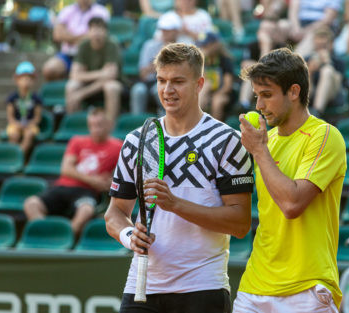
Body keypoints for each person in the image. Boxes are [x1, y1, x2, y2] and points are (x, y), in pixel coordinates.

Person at [104, 43, 254, 313]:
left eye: (177, 81)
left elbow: (240, 223)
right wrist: (129, 235)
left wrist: (176, 205)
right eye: (161, 80)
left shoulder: (227, 141)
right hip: (141, 287)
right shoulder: (135, 141)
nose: (167, 90)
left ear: (199, 84)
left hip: (203, 288)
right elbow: (115, 213)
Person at [233, 47, 347, 313]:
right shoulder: (265, 141)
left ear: (294, 92)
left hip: (306, 287)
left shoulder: (326, 136)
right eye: (257, 96)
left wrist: (259, 151)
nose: (259, 106)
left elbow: (292, 204)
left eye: (267, 95)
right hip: (254, 284)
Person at [23, 108, 122, 235]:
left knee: (86, 211)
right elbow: (66, 169)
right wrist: (93, 180)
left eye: (99, 125)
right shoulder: (77, 141)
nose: (95, 129)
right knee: (31, 204)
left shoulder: (118, 146)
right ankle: (46, 235)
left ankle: (64, 237)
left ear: (109, 125)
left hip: (86, 192)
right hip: (63, 186)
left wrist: (109, 181)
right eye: (92, 125)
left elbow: (124, 174)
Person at [65, 17, 123, 122]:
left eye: (100, 29)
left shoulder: (111, 44)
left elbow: (111, 75)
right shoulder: (83, 45)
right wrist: (101, 73)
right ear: (89, 31)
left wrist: (82, 93)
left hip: (110, 83)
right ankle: (75, 125)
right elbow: (74, 74)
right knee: (71, 86)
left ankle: (110, 128)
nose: (97, 32)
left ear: (106, 31)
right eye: (93, 29)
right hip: (91, 83)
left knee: (111, 87)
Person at [42, 0, 109, 81]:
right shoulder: (67, 10)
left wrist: (68, 36)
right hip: (68, 54)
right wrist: (84, 36)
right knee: (49, 70)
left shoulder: (101, 11)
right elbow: (57, 35)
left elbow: (96, 36)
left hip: (89, 56)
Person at [130, 12, 181, 115]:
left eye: (168, 30)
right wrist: (162, 62)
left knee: (159, 91)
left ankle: (168, 121)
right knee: (138, 90)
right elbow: (143, 74)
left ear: (176, 31)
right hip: (150, 81)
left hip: (170, 83)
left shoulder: (185, 47)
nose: (164, 32)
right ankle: (137, 124)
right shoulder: (149, 45)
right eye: (163, 29)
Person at [257, 0, 341, 57]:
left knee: (313, 35)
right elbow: (293, 11)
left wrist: (305, 31)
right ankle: (264, 63)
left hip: (320, 27)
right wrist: (296, 28)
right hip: (298, 24)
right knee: (266, 26)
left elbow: (327, 19)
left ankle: (293, 65)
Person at [6, 61, 42, 155]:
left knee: (29, 134)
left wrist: (29, 124)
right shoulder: (12, 97)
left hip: (30, 125)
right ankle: (12, 155)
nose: (26, 81)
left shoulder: (36, 98)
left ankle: (19, 156)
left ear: (33, 80)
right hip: (16, 124)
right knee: (13, 134)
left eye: (29, 78)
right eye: (23, 78)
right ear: (17, 80)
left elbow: (37, 118)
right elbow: (10, 117)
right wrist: (17, 124)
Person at [197, 32, 234, 121]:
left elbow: (227, 86)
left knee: (217, 101)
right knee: (206, 86)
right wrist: (202, 60)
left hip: (222, 92)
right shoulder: (201, 61)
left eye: (206, 45)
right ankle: (195, 123)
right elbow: (200, 80)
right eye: (202, 46)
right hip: (206, 91)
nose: (204, 48)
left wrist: (214, 95)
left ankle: (215, 130)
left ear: (215, 45)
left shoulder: (224, 60)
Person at [307, 26, 344, 115]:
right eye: (318, 46)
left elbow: (339, 83)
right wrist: (310, 72)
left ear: (331, 45)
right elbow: (307, 92)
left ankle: (317, 112)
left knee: (327, 71)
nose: (320, 49)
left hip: (333, 95)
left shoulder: (338, 61)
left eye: (323, 46)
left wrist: (327, 62)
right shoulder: (307, 59)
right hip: (311, 95)